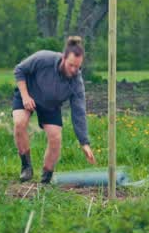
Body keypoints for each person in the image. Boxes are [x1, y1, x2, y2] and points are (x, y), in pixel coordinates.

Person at [12, 36, 96, 183]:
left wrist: (84, 143)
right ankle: (26, 167)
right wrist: (25, 96)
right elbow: (20, 70)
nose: (74, 70)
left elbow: (79, 113)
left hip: (50, 104)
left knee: (55, 137)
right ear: (63, 58)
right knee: (19, 123)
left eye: (78, 67)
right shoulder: (44, 58)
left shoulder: (76, 83)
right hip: (29, 94)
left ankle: (46, 178)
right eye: (71, 65)